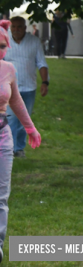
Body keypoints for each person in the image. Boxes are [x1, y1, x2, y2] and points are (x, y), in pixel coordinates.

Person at [0, 20, 42, 262]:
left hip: (3, 135)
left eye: (3, 46)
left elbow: (16, 101)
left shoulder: (8, 69)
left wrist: (30, 128)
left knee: (1, 196)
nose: (1, 51)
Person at [4, 16, 48, 158]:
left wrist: (45, 82)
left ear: (25, 28)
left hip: (29, 88)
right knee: (10, 118)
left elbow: (41, 63)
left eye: (19, 27)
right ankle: (9, 149)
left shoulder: (34, 42)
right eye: (13, 27)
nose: (16, 30)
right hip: (10, 87)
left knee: (24, 119)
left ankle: (19, 148)